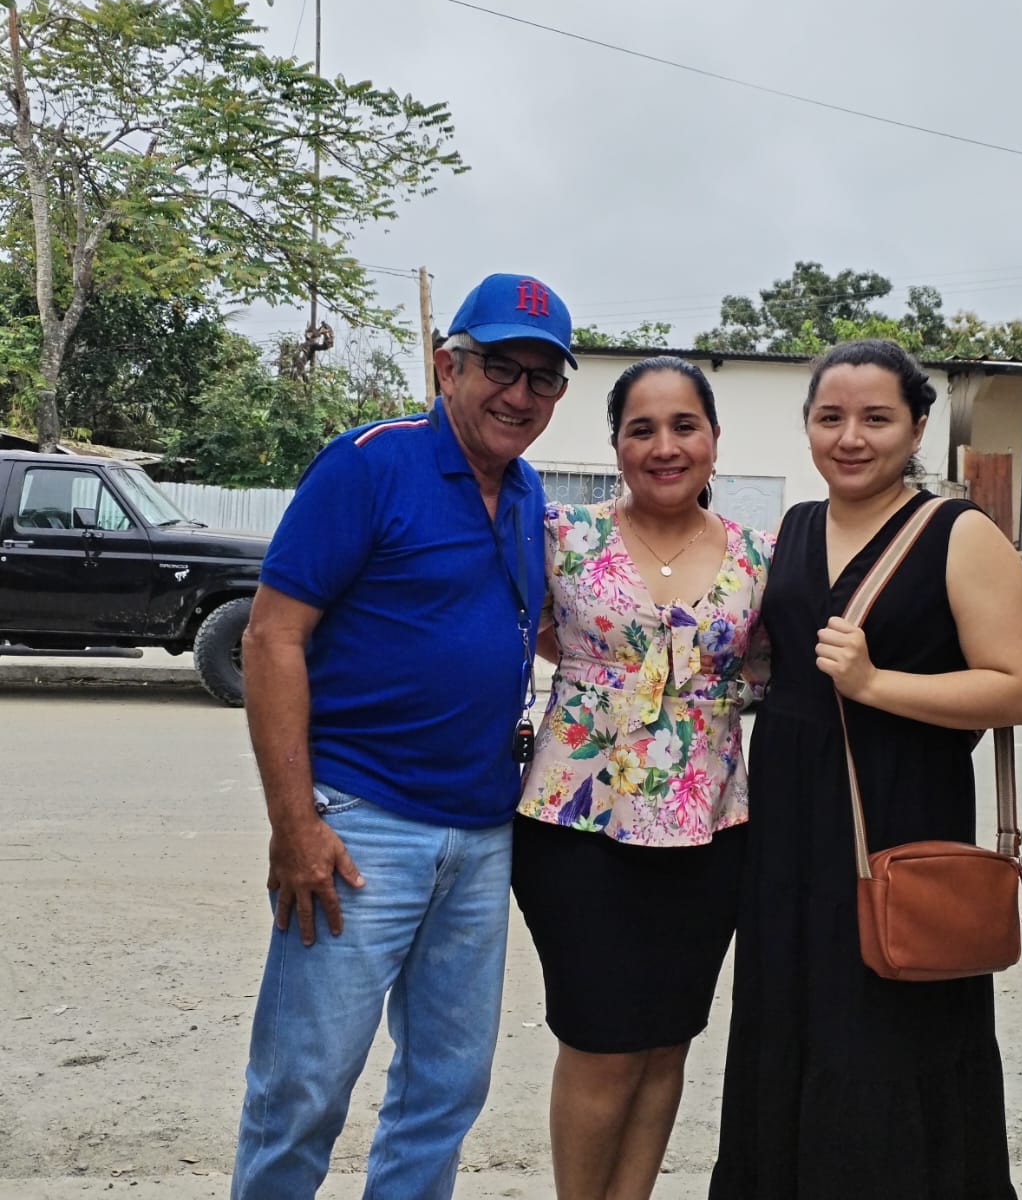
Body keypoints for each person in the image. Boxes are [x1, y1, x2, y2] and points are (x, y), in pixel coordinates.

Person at [230, 273, 575, 1200]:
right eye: (499, 367)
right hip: (360, 826)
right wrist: (295, 824)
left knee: (444, 1091)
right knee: (303, 1088)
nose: (519, 395)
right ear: (445, 366)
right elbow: (271, 638)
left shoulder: (525, 492)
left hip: (482, 835)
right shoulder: (368, 465)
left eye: (543, 378)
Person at [710, 339, 1022, 1200]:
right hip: (787, 827)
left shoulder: (957, 533)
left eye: (875, 418)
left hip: (901, 814)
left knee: (889, 1025)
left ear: (918, 427)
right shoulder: (793, 528)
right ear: (807, 427)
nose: (850, 437)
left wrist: (873, 684)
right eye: (829, 417)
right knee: (787, 1017)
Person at [512, 355, 773, 1200]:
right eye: (642, 429)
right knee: (602, 1044)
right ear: (616, 444)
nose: (664, 446)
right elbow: (530, 630)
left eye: (683, 426)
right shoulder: (561, 536)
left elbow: (768, 668)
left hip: (710, 832)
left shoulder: (760, 557)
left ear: (713, 438)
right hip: (578, 828)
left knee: (666, 1043)